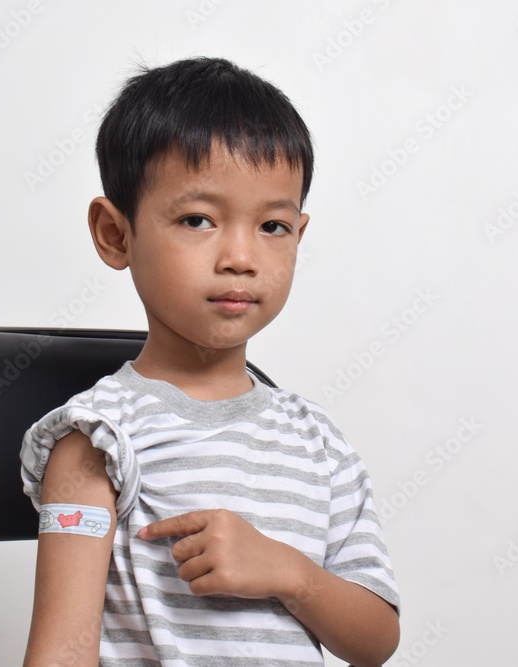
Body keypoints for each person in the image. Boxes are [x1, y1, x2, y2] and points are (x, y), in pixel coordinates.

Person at [20, 57, 400, 666]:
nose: (241, 257)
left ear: (299, 236)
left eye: (273, 226)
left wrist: (292, 574)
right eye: (198, 220)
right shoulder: (98, 441)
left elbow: (376, 641)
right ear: (116, 234)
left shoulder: (318, 442)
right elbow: (61, 654)